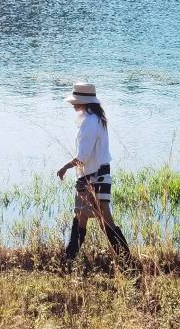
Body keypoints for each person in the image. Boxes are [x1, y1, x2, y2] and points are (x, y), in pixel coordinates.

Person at [56, 83, 132, 266]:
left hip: (92, 176)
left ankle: (127, 260)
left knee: (102, 219)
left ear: (83, 102)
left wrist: (65, 167)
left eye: (76, 101)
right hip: (97, 174)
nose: (73, 105)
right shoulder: (96, 118)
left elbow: (83, 156)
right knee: (83, 216)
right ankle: (69, 259)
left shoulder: (89, 122)